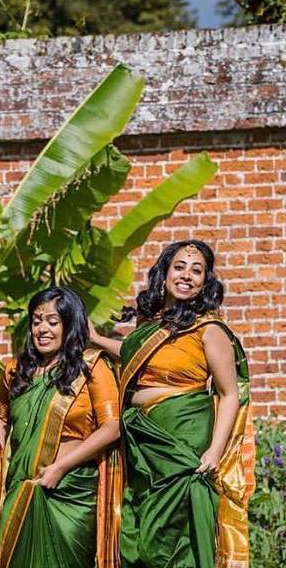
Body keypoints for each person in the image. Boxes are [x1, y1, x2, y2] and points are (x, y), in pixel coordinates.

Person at [90, 240, 254, 568]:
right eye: (179, 267)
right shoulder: (150, 328)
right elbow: (135, 357)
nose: (186, 276)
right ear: (164, 274)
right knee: (137, 535)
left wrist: (214, 452)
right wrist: (95, 340)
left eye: (197, 271)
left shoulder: (209, 330)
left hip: (183, 443)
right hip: (142, 443)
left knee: (170, 538)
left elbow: (228, 394)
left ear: (205, 282)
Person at [0, 287, 121, 568]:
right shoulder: (16, 371)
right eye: (37, 321)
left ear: (69, 325)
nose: (42, 329)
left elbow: (111, 427)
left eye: (53, 322)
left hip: (70, 494)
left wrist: (60, 467)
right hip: (21, 490)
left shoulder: (91, 367)